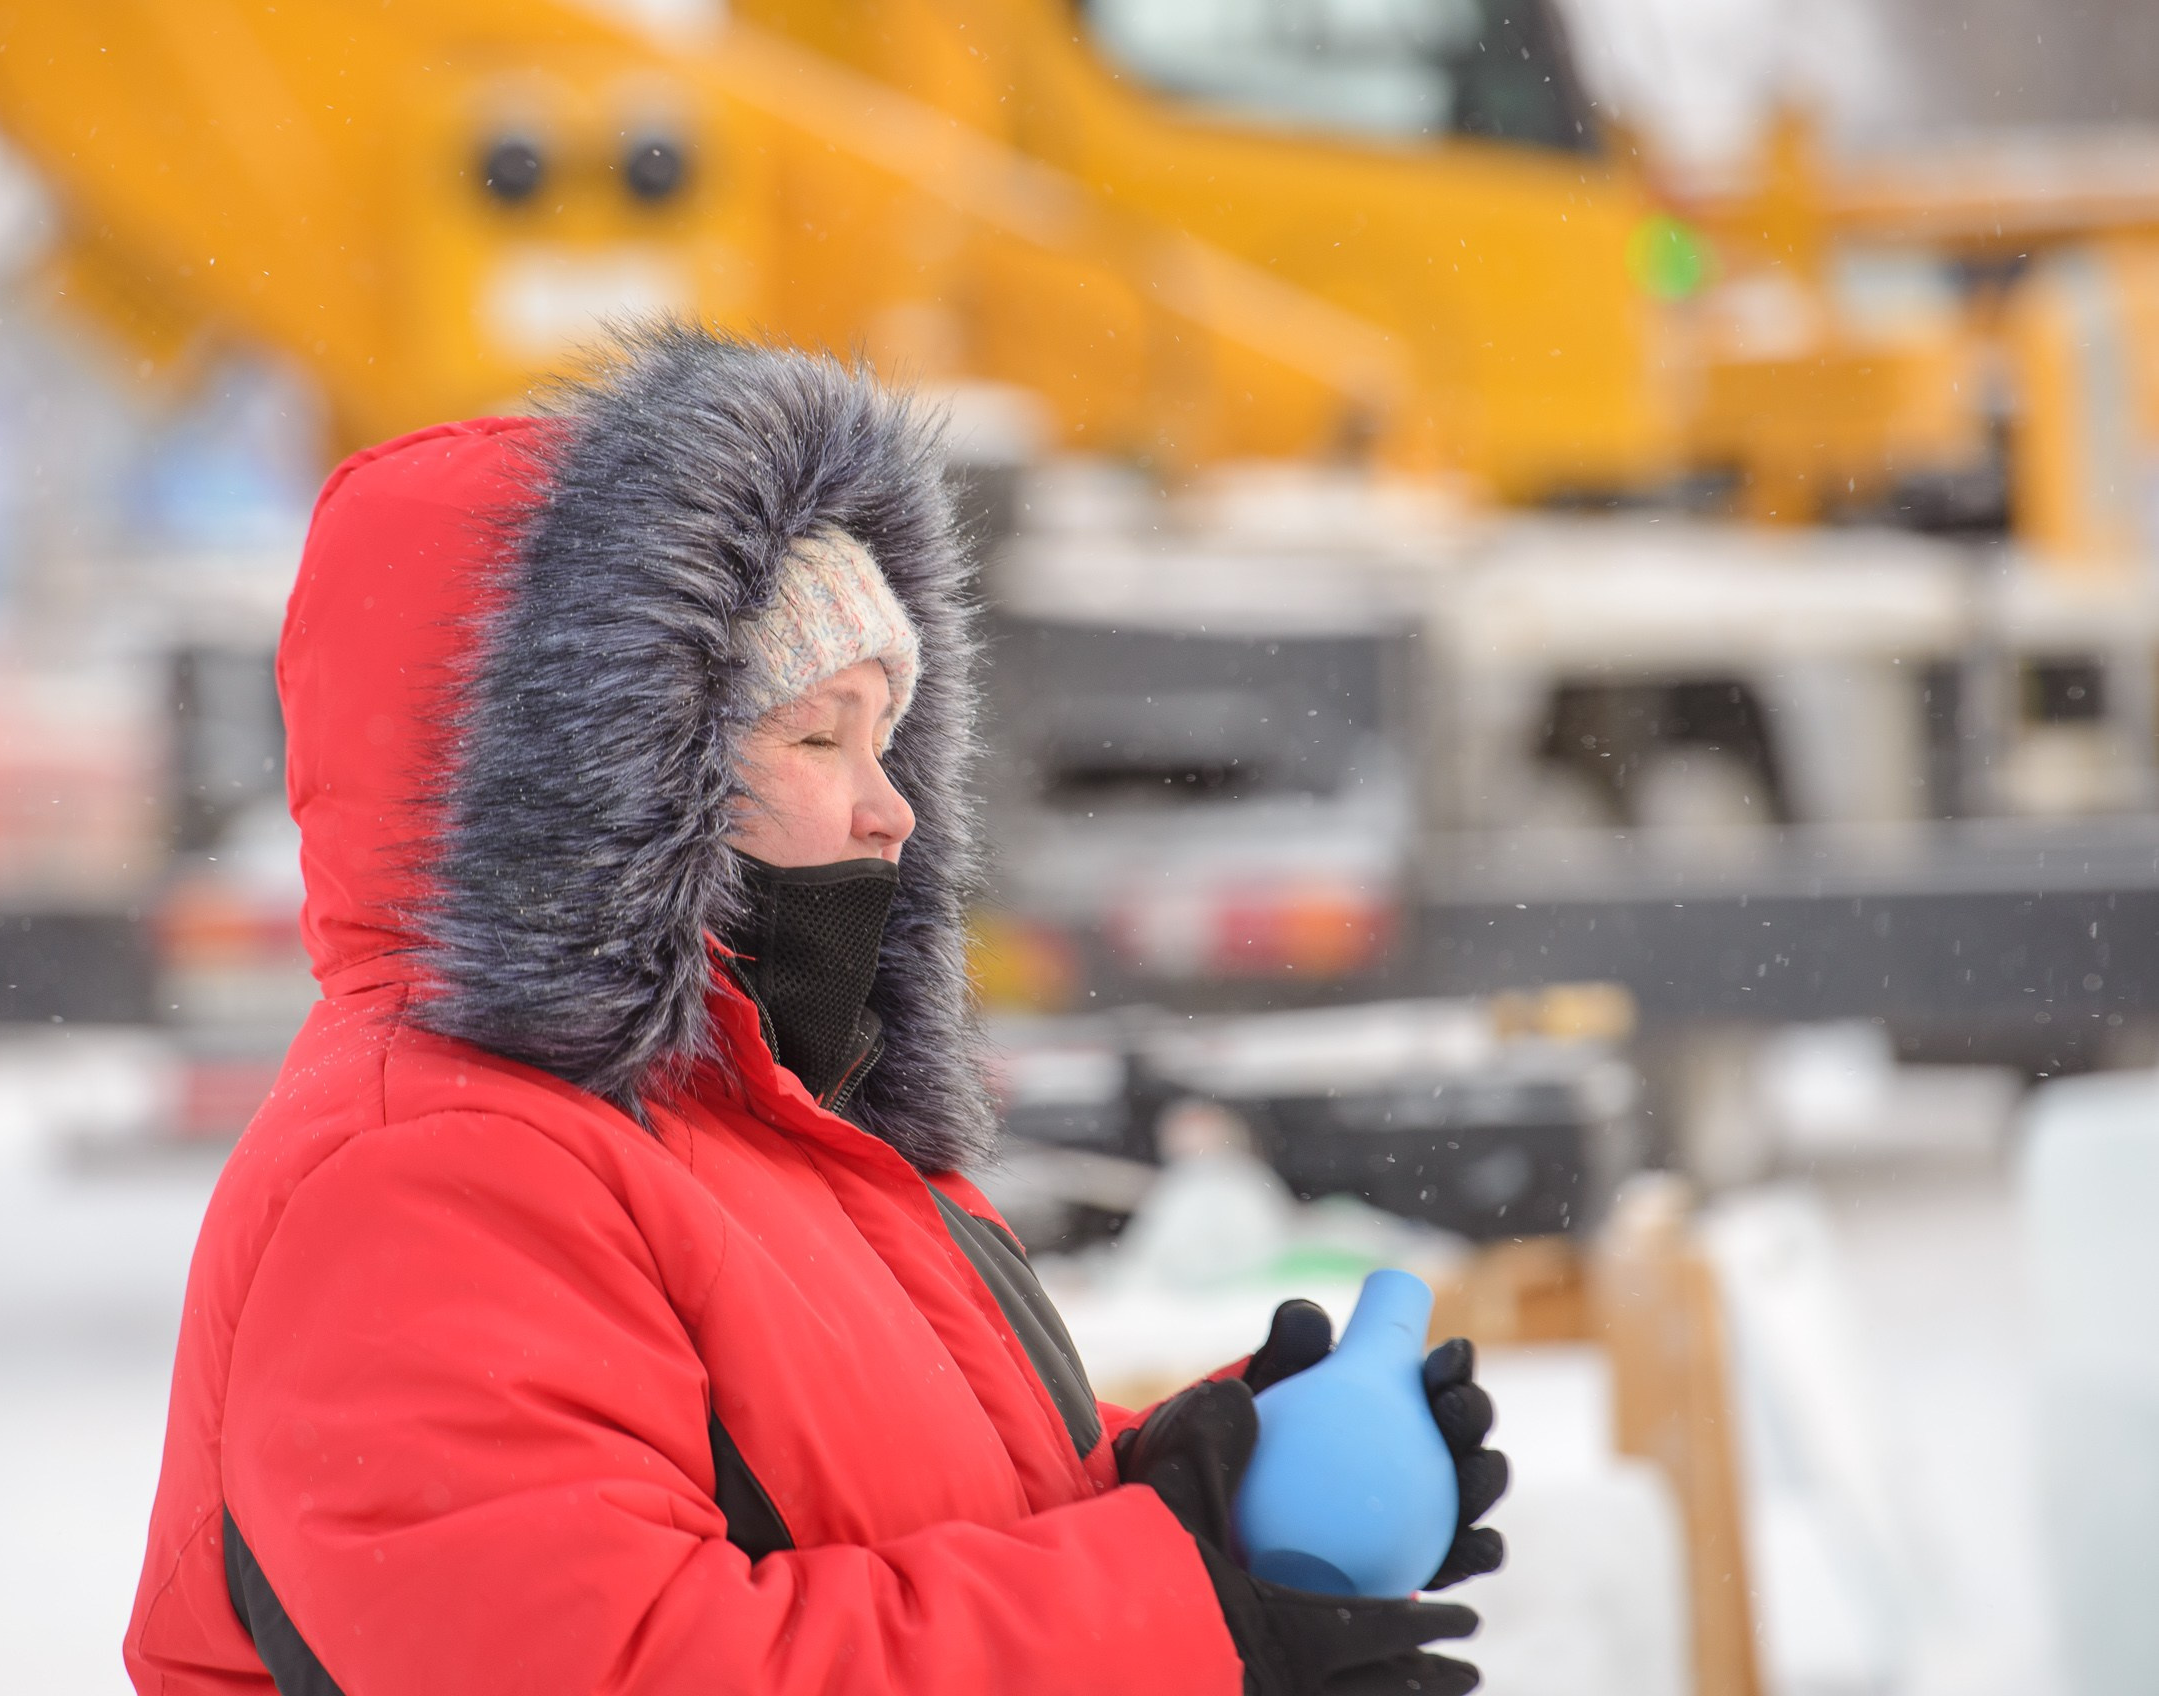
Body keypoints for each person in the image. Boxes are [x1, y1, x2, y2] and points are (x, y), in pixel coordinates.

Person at [123, 323, 1507, 1696]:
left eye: (887, 737)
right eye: (814, 736)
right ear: (607, 784)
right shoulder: (428, 1179)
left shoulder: (774, 1136)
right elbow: (631, 1668)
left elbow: (892, 1520)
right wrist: (1176, 1611)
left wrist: (1200, 1488)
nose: (888, 804)